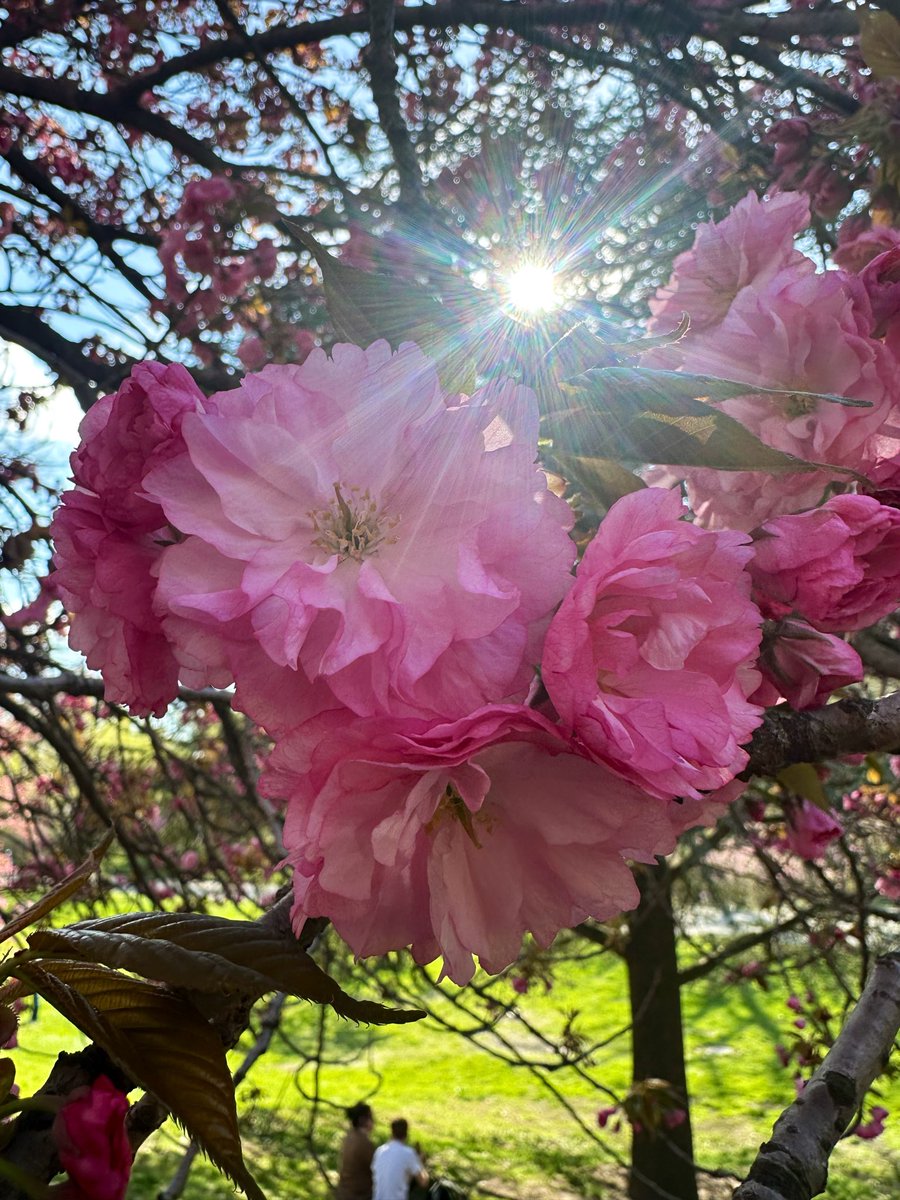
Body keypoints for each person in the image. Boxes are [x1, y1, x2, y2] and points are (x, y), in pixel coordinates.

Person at [372, 1118, 428, 1200]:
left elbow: (401, 1179)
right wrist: (420, 1163)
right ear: (406, 1134)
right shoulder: (408, 1153)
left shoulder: (379, 1151)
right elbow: (423, 1182)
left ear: (391, 1132)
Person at [335, 1102, 375, 1200]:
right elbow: (376, 1169)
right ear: (363, 1120)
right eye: (371, 1117)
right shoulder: (364, 1143)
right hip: (358, 1195)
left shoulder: (349, 1136)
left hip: (343, 1192)